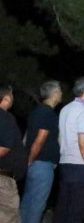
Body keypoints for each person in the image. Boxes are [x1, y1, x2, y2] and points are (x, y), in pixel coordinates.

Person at [55, 77, 84, 223]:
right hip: (80, 167)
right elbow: (83, 142)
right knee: (77, 211)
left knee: (63, 207)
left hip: (65, 163)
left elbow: (60, 139)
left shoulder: (65, 109)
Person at [20, 81, 62, 223]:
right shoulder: (48, 113)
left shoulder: (36, 111)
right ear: (55, 94)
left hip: (34, 164)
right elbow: (40, 139)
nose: (61, 94)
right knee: (37, 205)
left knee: (28, 201)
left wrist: (27, 160)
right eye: (60, 91)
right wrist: (31, 160)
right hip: (42, 165)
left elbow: (26, 137)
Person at [0, 83, 27, 223]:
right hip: (3, 179)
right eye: (11, 96)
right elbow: (4, 147)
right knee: (9, 218)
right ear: (6, 99)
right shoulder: (5, 117)